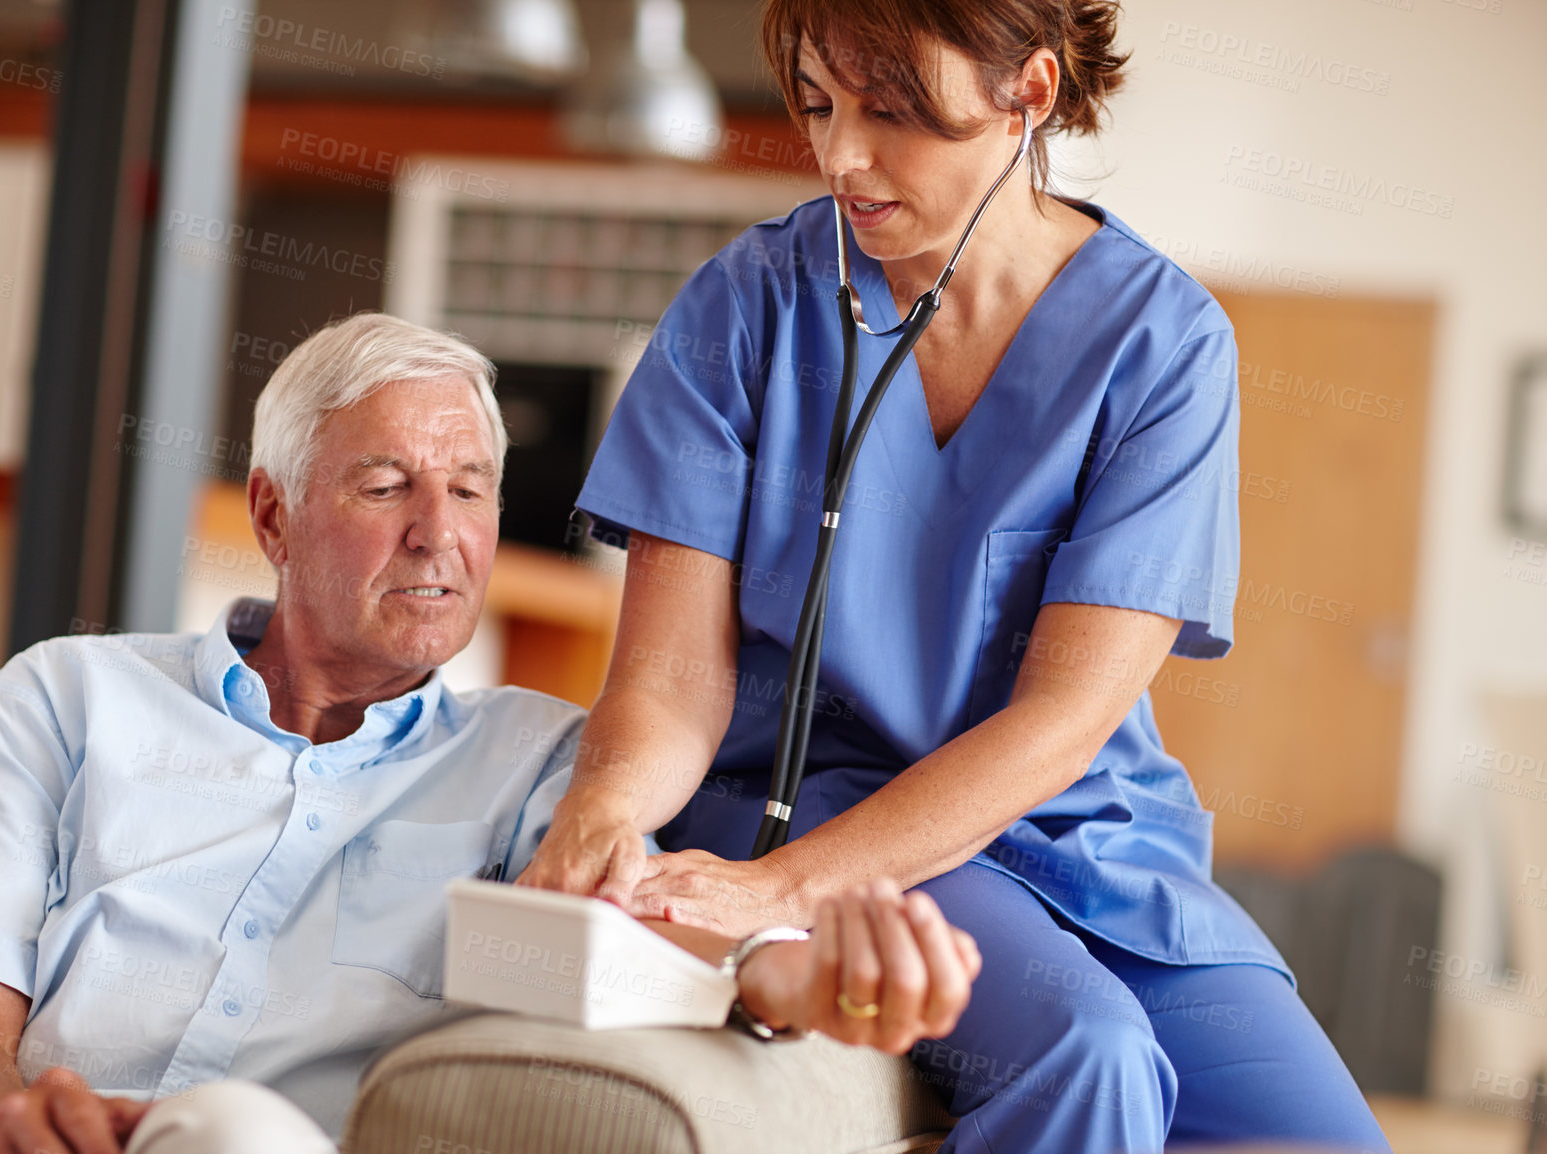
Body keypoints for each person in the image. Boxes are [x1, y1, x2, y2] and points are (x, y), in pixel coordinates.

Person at [518, 2, 1393, 1151]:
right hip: (825, 806)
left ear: (1026, 93)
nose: (841, 157)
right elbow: (672, 681)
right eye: (820, 105)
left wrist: (778, 900)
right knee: (1091, 1053)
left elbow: (1061, 724)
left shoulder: (1162, 341)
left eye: (892, 114)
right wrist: (609, 810)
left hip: (1087, 840)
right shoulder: (746, 306)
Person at [0, 312, 982, 1154]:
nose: (441, 534)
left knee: (229, 1133)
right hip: (6, 1133)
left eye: (471, 489)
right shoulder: (69, 694)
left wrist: (805, 977)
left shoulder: (544, 758)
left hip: (256, 1142)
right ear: (274, 514)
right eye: (384, 486)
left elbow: (647, 943)